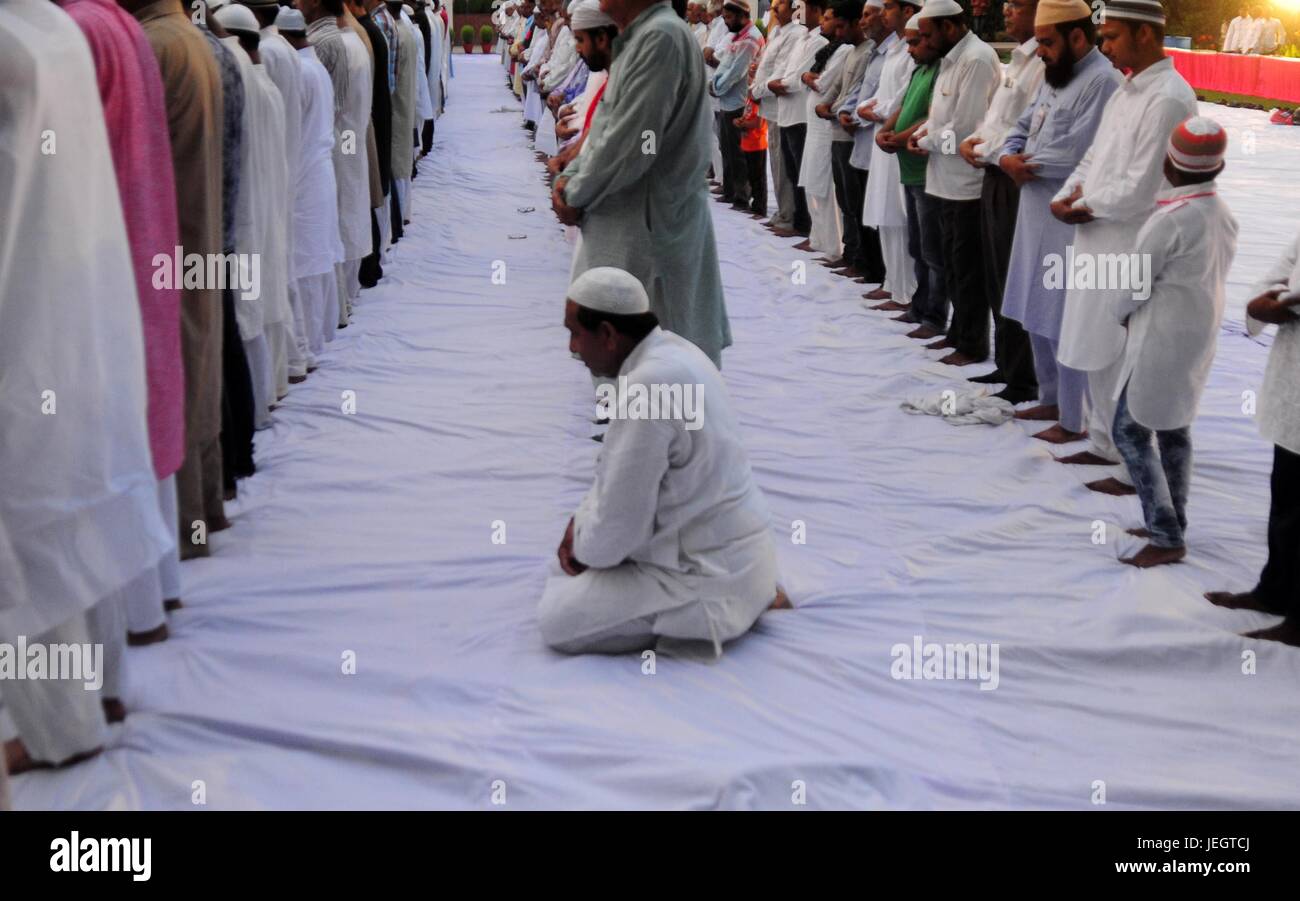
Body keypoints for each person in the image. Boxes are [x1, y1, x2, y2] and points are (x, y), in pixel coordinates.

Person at [1, 0, 171, 773]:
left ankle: (58, 727)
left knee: (28, 527)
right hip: (77, 299)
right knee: (77, 500)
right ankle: (100, 688)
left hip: (22, 311)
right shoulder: (56, 31)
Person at [539, 268, 785, 656]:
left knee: (556, 615)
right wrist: (582, 524)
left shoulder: (647, 387)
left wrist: (581, 542)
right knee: (580, 551)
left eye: (575, 333)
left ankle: (725, 609)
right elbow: (615, 479)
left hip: (705, 577)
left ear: (607, 334)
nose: (572, 348)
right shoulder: (679, 352)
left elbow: (616, 533)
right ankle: (753, 592)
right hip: (749, 557)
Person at [59, 0, 186, 644]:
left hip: (98, 250)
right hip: (137, 240)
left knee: (96, 443)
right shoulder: (122, 26)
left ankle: (120, 634)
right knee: (136, 417)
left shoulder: (75, 29)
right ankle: (151, 597)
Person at [1050, 0, 1196, 497]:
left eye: (1111, 37)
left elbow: (1141, 187)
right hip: (1095, 232)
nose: (1104, 46)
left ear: (1146, 35)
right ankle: (1101, 441)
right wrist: (1067, 192)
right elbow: (1094, 154)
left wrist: (1083, 202)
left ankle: (1129, 464)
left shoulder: (1169, 97)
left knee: (1125, 351)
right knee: (1096, 343)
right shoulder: (1129, 89)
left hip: (1132, 241)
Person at [553, 0, 732, 369]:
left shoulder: (660, 38)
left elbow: (632, 144)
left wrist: (573, 191)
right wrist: (572, 175)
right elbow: (605, 132)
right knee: (635, 366)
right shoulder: (639, 39)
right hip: (634, 226)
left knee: (658, 360)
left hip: (651, 232)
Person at [1110, 118, 1237, 567]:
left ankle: (1165, 535)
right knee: (1174, 427)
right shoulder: (1220, 213)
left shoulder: (1171, 220)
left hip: (1161, 336)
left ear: (1172, 164)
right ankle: (1172, 520)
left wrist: (1118, 314)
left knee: (1128, 429)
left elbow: (1133, 287)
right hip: (1198, 332)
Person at [129, 0, 229, 557]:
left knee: (176, 371)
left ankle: (185, 522)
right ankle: (204, 510)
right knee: (199, 362)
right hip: (197, 232)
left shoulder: (155, 45)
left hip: (172, 238)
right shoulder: (187, 39)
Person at [999, 1, 1121, 444]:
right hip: (1033, 209)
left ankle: (1075, 418)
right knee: (1035, 307)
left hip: (1068, 217)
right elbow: (1021, 124)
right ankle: (1049, 398)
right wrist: (1005, 155)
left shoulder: (1102, 81)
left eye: (1048, 42)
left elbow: (1078, 152)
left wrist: (1019, 163)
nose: (1042, 51)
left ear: (1076, 37)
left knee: (1064, 313)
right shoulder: (1055, 76)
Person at [1205, 230, 1300, 645]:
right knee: (1286, 502)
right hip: (1292, 391)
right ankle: (1274, 592)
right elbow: (1269, 287)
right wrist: (1276, 300)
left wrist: (1286, 298)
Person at [958, 0, 1042, 402]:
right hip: (992, 171)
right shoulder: (1019, 60)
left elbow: (1024, 133)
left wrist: (986, 147)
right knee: (996, 275)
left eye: (1017, 5)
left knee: (1013, 276)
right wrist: (977, 141)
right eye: (1006, 5)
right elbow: (997, 121)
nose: (1007, 12)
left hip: (1012, 178)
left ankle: (1025, 377)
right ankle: (1007, 365)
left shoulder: (1044, 64)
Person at [908, 0, 1000, 368]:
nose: (925, 42)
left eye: (928, 34)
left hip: (967, 184)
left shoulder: (976, 59)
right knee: (950, 261)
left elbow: (966, 128)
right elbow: (940, 117)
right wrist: (922, 133)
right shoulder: (950, 58)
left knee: (968, 268)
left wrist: (924, 141)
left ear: (950, 26)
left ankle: (972, 343)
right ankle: (957, 335)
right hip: (942, 180)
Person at [280, 7, 348, 356]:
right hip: (318, 172)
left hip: (307, 176)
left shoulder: (302, 71)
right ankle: (317, 338)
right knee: (316, 259)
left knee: (305, 263)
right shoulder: (313, 67)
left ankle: (306, 347)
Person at [306, 0, 374, 327]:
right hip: (352, 137)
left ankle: (341, 300)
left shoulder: (332, 45)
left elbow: (331, 107)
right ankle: (346, 295)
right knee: (350, 208)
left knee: (341, 212)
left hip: (342, 139)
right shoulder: (354, 41)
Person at [876, 15, 939, 336]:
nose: (911, 48)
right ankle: (919, 306)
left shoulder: (941, 70)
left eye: (916, 42)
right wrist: (886, 131)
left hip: (929, 170)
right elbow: (901, 106)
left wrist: (897, 139)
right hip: (908, 167)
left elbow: (934, 116)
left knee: (932, 249)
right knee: (917, 244)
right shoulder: (920, 68)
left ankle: (935, 317)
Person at [857, 0, 920, 309]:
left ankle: (906, 289)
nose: (883, 13)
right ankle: (892, 282)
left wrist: (877, 111)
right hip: (882, 136)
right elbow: (883, 94)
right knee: (885, 212)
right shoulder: (894, 48)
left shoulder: (914, 47)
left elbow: (904, 97)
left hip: (895, 136)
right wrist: (864, 107)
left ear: (908, 10)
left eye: (890, 6)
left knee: (900, 216)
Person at [831, 0, 888, 285]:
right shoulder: (872, 53)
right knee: (852, 203)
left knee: (875, 214)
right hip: (858, 139)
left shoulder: (890, 53)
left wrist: (856, 116)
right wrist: (843, 111)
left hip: (873, 141)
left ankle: (875, 271)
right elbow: (856, 91)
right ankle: (861, 261)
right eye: (863, 15)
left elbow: (889, 100)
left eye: (868, 15)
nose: (865, 21)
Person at [768, 0, 826, 238]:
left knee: (803, 173)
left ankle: (805, 226)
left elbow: (800, 76)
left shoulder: (819, 41)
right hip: (786, 114)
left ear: (814, 10)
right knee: (793, 172)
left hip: (801, 115)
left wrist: (779, 84)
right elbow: (789, 71)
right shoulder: (803, 38)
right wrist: (776, 83)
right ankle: (800, 223)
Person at [750, 0, 802, 232]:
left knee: (783, 164)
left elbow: (781, 72)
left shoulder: (796, 34)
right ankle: (782, 211)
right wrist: (756, 77)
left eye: (780, 4)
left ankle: (788, 215)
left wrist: (758, 90)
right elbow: (767, 65)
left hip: (781, 106)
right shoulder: (777, 32)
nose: (774, 8)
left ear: (794, 8)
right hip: (769, 105)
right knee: (776, 162)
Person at [709, 0, 764, 210]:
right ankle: (731, 191)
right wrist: (715, 84)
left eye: (729, 17)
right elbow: (724, 64)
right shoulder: (736, 36)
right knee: (728, 149)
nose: (726, 21)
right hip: (727, 100)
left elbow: (735, 73)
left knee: (738, 153)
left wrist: (716, 87)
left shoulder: (750, 39)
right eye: (724, 17)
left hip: (739, 102)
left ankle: (742, 196)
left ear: (742, 16)